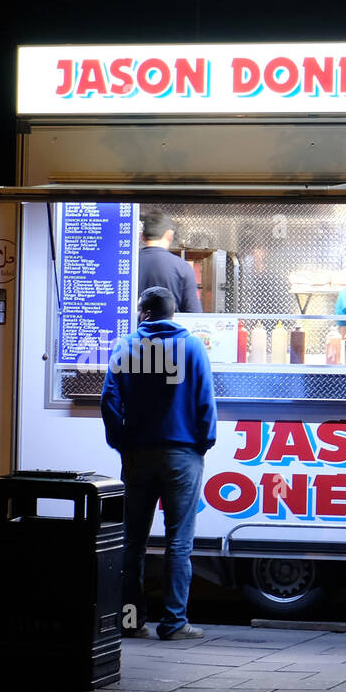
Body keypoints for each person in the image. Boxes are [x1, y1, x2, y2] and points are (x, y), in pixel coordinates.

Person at [101, 286, 216, 641]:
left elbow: (109, 400)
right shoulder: (193, 347)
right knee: (179, 541)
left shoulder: (126, 347)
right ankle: (174, 622)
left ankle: (131, 621)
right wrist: (203, 442)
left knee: (132, 541)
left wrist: (121, 442)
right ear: (172, 312)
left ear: (145, 313)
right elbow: (205, 401)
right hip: (182, 455)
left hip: (137, 454)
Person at [138, 208, 202, 314]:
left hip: (133, 329)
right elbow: (194, 313)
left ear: (143, 237)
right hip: (168, 329)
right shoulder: (182, 267)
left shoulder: (128, 264)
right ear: (169, 234)